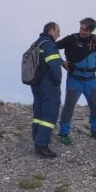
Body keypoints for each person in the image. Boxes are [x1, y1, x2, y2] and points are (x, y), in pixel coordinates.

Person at [56, 18, 96, 144]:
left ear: (91, 30)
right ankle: (64, 133)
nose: (82, 31)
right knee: (69, 107)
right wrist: (62, 62)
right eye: (81, 28)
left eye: (85, 29)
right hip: (74, 79)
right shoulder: (71, 38)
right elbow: (53, 47)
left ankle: (95, 129)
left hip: (91, 80)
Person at [31, 22, 63, 158]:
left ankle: (37, 142)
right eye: (58, 31)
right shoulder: (50, 45)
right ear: (51, 31)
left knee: (38, 115)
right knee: (49, 116)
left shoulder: (37, 43)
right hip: (48, 85)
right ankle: (42, 146)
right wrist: (57, 82)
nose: (59, 34)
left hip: (36, 84)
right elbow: (55, 67)